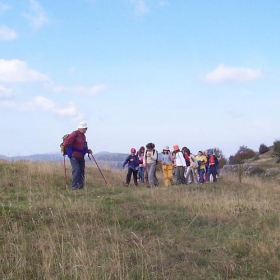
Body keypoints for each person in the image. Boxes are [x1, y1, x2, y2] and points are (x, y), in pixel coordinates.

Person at [63, 121, 92, 190]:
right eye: (85, 128)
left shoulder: (83, 136)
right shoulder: (74, 134)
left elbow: (82, 145)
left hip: (81, 156)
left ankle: (80, 187)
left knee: (81, 171)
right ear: (82, 128)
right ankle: (74, 187)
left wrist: (87, 150)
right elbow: (66, 143)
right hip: (74, 156)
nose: (86, 130)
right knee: (76, 170)